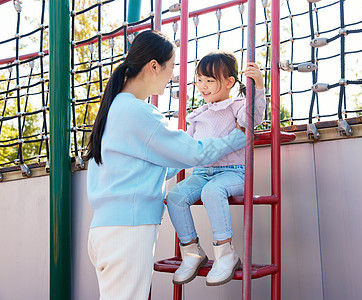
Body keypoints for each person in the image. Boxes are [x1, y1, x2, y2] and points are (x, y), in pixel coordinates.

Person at [85, 31, 246, 300]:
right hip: (128, 231)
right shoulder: (138, 112)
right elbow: (193, 153)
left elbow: (161, 164)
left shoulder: (115, 107)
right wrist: (238, 137)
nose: (172, 76)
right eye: (171, 67)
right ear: (153, 67)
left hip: (107, 230)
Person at [166, 51, 265, 286]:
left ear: (229, 82)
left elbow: (254, 118)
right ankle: (192, 253)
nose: (203, 86)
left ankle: (225, 254)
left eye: (210, 80)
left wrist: (258, 86)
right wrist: (160, 171)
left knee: (212, 191)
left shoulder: (237, 105)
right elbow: (185, 150)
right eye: (199, 80)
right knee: (175, 196)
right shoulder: (200, 115)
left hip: (234, 172)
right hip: (201, 173)